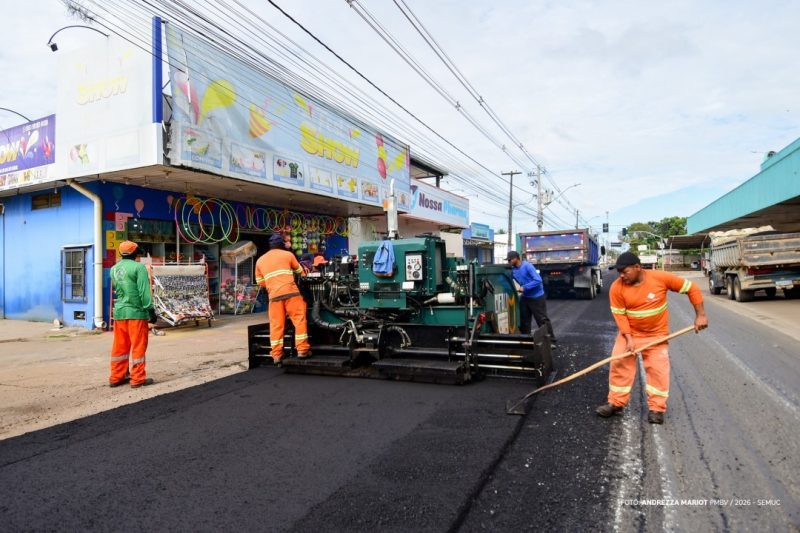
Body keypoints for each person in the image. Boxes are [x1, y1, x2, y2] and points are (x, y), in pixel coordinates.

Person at [596, 252, 708, 424]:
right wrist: (629, 338)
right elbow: (620, 316)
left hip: (656, 335)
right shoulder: (616, 288)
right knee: (619, 365)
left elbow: (691, 288)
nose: (621, 275)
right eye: (619, 272)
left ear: (637, 267)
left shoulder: (660, 278)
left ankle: (656, 408)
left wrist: (700, 315)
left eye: (625, 271)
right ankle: (616, 403)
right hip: (630, 334)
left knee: (657, 370)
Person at [255, 233, 311, 364]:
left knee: (276, 325)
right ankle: (302, 350)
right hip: (291, 294)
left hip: (274, 296)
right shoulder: (288, 255)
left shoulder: (260, 260)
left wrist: (273, 284)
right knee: (299, 320)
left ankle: (277, 354)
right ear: (282, 245)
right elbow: (301, 272)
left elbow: (260, 282)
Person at [109, 241, 158, 388]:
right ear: (135, 253)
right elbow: (144, 292)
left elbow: (119, 290)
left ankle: (117, 377)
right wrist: (150, 310)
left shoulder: (113, 269)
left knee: (120, 347)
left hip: (119, 313)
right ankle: (137, 379)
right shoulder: (139, 268)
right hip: (136, 313)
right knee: (138, 346)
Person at [506, 250, 556, 344]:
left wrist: (524, 287)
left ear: (516, 259)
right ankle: (526, 340)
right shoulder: (513, 270)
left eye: (510, 260)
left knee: (542, 320)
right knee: (524, 319)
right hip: (525, 297)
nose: (509, 262)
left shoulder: (527, 266)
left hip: (536, 296)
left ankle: (551, 341)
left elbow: (538, 280)